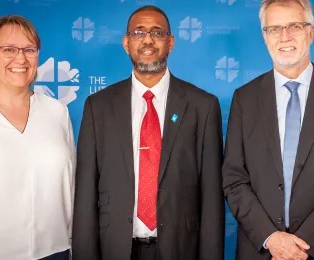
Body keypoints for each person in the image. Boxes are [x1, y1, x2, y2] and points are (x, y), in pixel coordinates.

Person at [72, 5, 225, 260]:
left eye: (157, 32)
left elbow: (211, 197)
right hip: (116, 249)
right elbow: (85, 194)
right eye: (138, 32)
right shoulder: (97, 107)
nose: (147, 40)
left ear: (171, 42)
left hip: (180, 249)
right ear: (126, 42)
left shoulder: (203, 106)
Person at [222, 0, 314, 259]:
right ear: (265, 37)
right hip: (262, 250)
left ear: (311, 32)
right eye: (274, 29)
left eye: (295, 26)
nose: (285, 36)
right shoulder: (244, 99)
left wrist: (298, 247)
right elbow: (234, 178)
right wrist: (271, 238)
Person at [0, 15, 75, 260]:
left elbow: (72, 185)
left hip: (55, 251)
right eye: (9, 49)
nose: (20, 59)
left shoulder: (57, 112)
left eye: (29, 50)